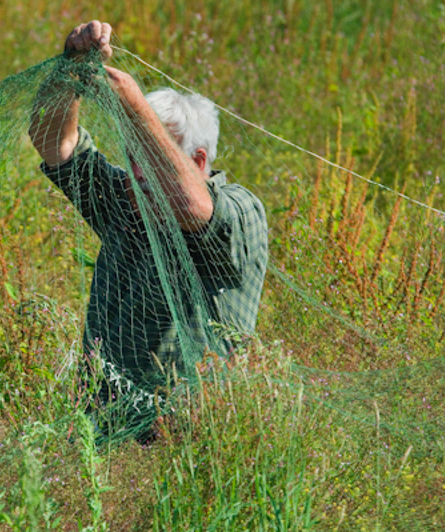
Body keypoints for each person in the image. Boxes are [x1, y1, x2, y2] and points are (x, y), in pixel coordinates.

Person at [29, 21, 268, 426]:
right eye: (132, 154)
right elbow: (54, 142)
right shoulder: (128, 200)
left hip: (189, 439)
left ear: (196, 162)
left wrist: (132, 103)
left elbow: (193, 206)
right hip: (101, 431)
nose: (136, 171)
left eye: (151, 155)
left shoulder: (242, 211)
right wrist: (71, 70)